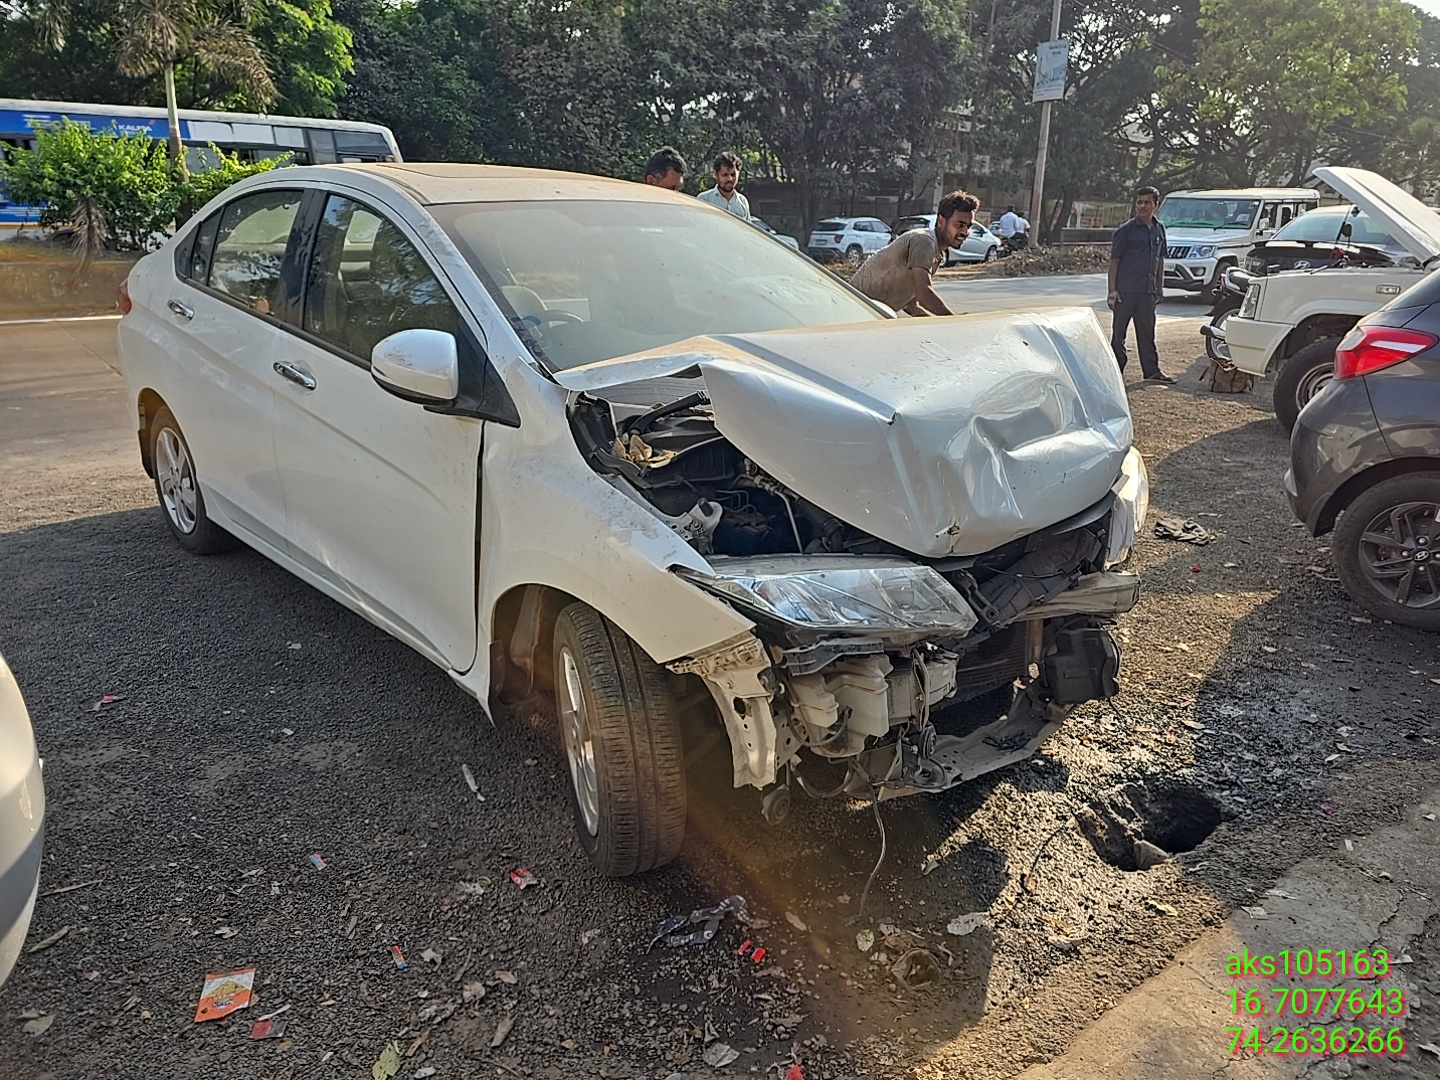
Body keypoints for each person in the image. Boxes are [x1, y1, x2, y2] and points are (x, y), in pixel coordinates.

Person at [851, 190, 978, 316]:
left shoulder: (936, 255)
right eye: (960, 225)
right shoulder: (924, 241)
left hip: (868, 314)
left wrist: (940, 324)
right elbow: (924, 295)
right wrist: (954, 322)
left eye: (968, 226)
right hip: (852, 309)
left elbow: (911, 305)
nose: (965, 232)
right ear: (941, 221)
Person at [1107, 186, 1175, 383]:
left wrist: (1159, 288)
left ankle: (1152, 371)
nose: (1142, 206)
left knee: (1147, 334)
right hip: (1125, 292)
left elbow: (1160, 260)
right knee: (1118, 335)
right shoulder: (1125, 231)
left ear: (1156, 205)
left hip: (1147, 292)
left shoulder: (1159, 229)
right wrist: (1112, 292)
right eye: (1139, 202)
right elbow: (1114, 262)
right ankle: (1115, 374)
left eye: (1147, 202)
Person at [696, 151, 751, 221]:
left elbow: (746, 230)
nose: (729, 179)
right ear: (715, 175)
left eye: (733, 174)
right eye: (725, 175)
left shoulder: (742, 202)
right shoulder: (704, 200)